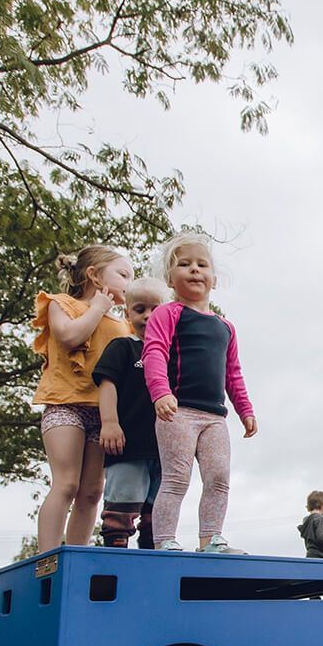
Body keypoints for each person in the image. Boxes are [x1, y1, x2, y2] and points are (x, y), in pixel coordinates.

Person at [143, 231, 257, 553]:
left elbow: (232, 373)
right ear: (169, 277)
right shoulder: (168, 314)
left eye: (202, 264)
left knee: (219, 476)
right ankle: (165, 540)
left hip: (214, 417)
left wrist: (245, 410)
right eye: (184, 264)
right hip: (177, 411)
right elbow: (154, 353)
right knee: (177, 478)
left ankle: (211, 540)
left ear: (214, 279)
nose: (194, 270)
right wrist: (160, 392)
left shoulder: (225, 327)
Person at [32, 246, 134, 552]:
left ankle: (77, 555)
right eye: (123, 274)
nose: (130, 282)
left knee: (92, 491)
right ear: (94, 274)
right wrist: (98, 307)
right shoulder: (61, 304)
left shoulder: (123, 325)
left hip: (103, 416)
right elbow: (70, 336)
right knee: (66, 483)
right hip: (65, 406)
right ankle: (47, 557)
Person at [94, 277, 168, 548]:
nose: (148, 316)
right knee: (120, 514)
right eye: (140, 309)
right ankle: (114, 564)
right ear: (127, 313)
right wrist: (110, 423)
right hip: (128, 446)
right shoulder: (123, 347)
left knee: (158, 518)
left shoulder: (174, 355)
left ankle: (155, 567)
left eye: (155, 309)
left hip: (164, 449)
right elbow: (107, 384)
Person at [299, 491, 323, 559]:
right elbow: (321, 538)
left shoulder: (306, 521)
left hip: (310, 554)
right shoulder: (320, 519)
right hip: (321, 555)